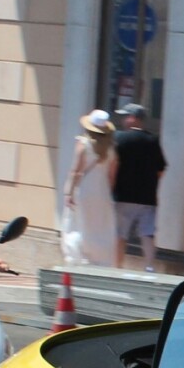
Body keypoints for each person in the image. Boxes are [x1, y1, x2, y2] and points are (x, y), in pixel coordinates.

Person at [109, 102, 165, 270]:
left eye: (125, 116)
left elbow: (113, 165)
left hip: (123, 195)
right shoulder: (153, 140)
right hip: (147, 197)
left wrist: (111, 187)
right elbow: (161, 169)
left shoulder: (119, 138)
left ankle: (117, 267)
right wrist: (151, 184)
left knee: (120, 234)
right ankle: (149, 266)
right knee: (147, 233)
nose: (124, 120)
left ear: (133, 118)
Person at [60, 109, 120, 267]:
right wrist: (107, 192)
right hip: (102, 191)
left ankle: (78, 258)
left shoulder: (83, 144)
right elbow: (112, 176)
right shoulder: (112, 149)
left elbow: (75, 171)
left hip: (85, 189)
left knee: (78, 225)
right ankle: (99, 261)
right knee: (99, 227)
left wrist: (69, 192)